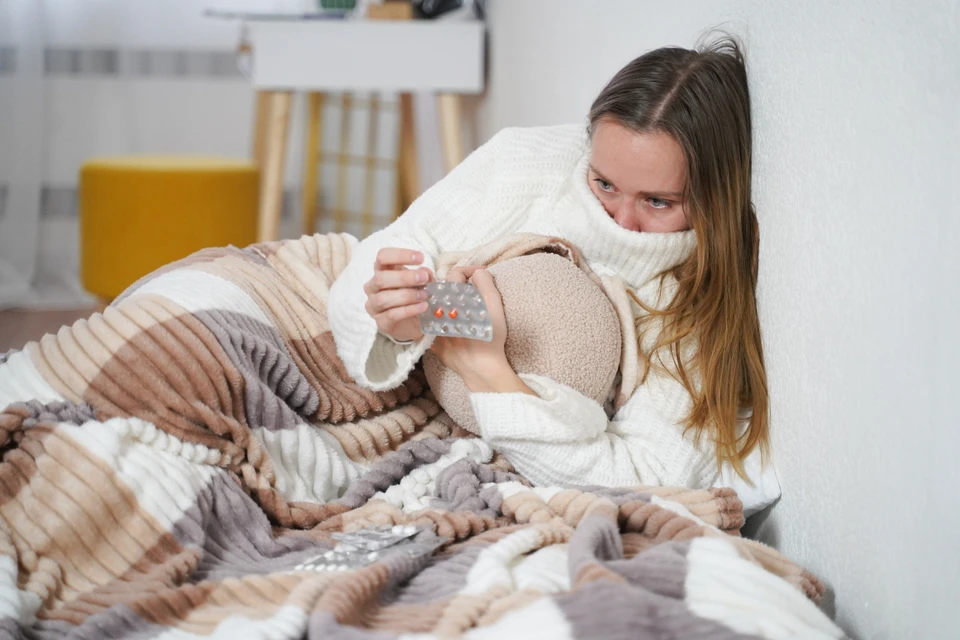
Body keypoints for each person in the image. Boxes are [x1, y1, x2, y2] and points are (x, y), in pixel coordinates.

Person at [327, 36, 769, 489]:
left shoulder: (697, 302)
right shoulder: (532, 163)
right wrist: (396, 327)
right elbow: (380, 257)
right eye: (605, 184)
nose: (620, 220)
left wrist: (490, 375)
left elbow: (648, 477)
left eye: (658, 202)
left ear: (716, 197)